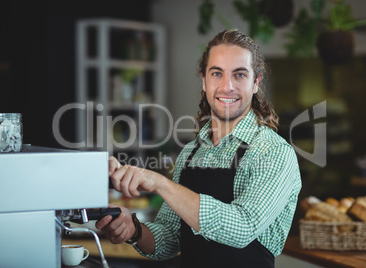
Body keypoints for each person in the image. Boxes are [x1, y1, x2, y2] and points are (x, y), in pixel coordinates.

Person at [96, 28, 302, 267]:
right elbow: (170, 239)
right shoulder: (192, 152)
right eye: (217, 73)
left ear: (256, 83)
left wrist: (161, 183)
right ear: (204, 81)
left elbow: (242, 228)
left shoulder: (272, 152)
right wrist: (134, 230)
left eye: (239, 75)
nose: (227, 86)